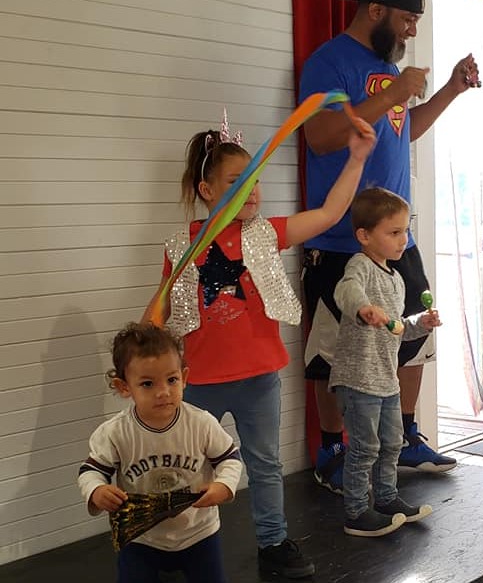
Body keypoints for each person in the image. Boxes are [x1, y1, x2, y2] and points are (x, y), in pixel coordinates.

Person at [141, 114, 376, 578]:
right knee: (190, 469)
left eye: (254, 180)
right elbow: (160, 307)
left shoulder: (266, 234)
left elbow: (330, 213)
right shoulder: (182, 243)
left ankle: (273, 543)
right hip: (199, 383)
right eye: (236, 181)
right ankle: (180, 546)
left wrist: (357, 157)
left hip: (259, 378)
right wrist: (140, 355)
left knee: (265, 465)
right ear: (207, 190)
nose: (250, 190)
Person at [300, 0, 480, 493]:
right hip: (340, 238)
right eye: (407, 18)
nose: (412, 31)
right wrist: (395, 90)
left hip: (400, 238)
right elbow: (322, 136)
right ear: (374, 10)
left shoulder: (392, 74)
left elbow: (405, 130)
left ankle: (404, 436)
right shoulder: (330, 62)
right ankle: (332, 450)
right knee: (333, 348)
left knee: (415, 332)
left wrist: (448, 89)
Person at [78, 322, 243, 583]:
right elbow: (91, 471)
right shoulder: (115, 432)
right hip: (141, 537)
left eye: (172, 379)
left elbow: (230, 459)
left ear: (184, 378)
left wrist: (224, 485)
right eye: (147, 383)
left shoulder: (201, 423)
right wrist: (96, 491)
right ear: (124, 387)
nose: (163, 392)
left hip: (198, 532)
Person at [331, 187, 442, 537]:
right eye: (393, 232)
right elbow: (346, 292)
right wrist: (363, 308)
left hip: (386, 381)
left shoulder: (395, 278)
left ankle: (387, 499)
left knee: (392, 444)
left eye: (405, 231)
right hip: (358, 379)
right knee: (365, 448)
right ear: (364, 235)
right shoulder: (360, 266)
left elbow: (396, 329)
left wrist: (418, 325)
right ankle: (356, 512)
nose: (402, 239)